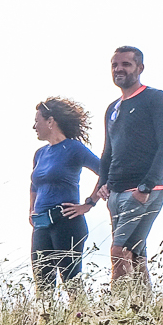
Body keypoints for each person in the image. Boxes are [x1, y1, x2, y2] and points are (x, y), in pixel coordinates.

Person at [91, 45, 163, 283]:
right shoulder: (113, 108)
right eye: (115, 65)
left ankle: (118, 309)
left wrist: (146, 186)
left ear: (139, 68)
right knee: (135, 255)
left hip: (143, 191)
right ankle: (146, 311)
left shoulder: (155, 99)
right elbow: (108, 151)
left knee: (118, 253)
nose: (119, 69)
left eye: (126, 64)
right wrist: (103, 184)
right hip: (116, 193)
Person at [28, 97, 101, 290]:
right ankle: (47, 320)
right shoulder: (40, 154)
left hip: (67, 221)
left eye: (37, 121)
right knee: (42, 285)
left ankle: (81, 318)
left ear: (50, 121)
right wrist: (31, 210)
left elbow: (105, 172)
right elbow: (34, 184)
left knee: (71, 282)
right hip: (41, 223)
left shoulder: (74, 148)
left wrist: (89, 203)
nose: (34, 126)